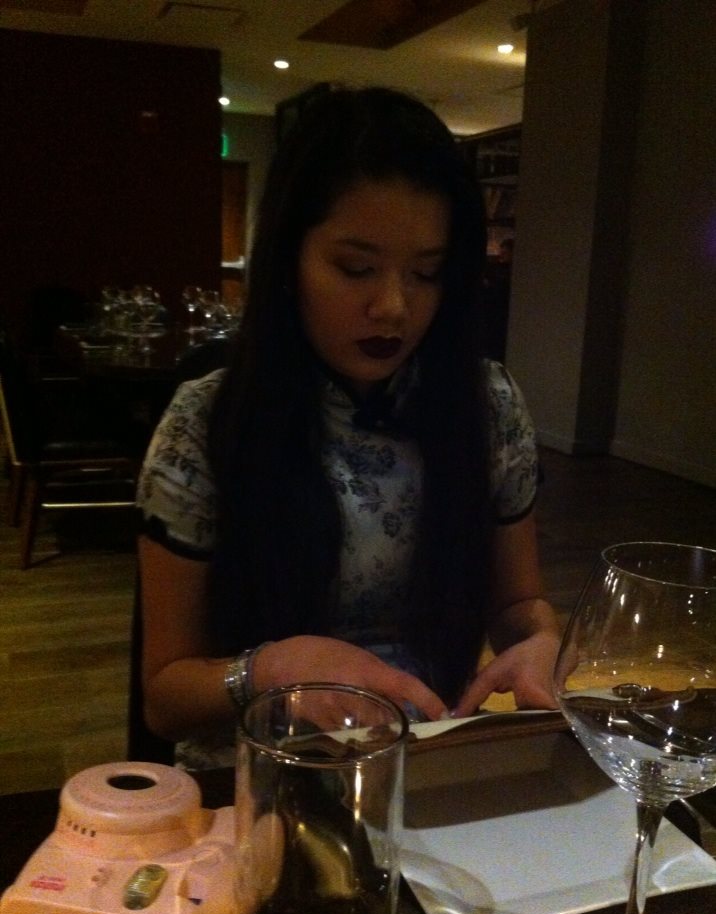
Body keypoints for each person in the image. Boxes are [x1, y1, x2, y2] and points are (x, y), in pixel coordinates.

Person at [136, 86, 561, 769]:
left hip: (422, 762)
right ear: (288, 260)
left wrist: (540, 641)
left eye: (426, 273)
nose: (393, 306)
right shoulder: (203, 424)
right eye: (355, 268)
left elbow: (519, 604)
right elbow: (165, 698)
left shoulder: (488, 405)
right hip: (257, 778)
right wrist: (273, 668)